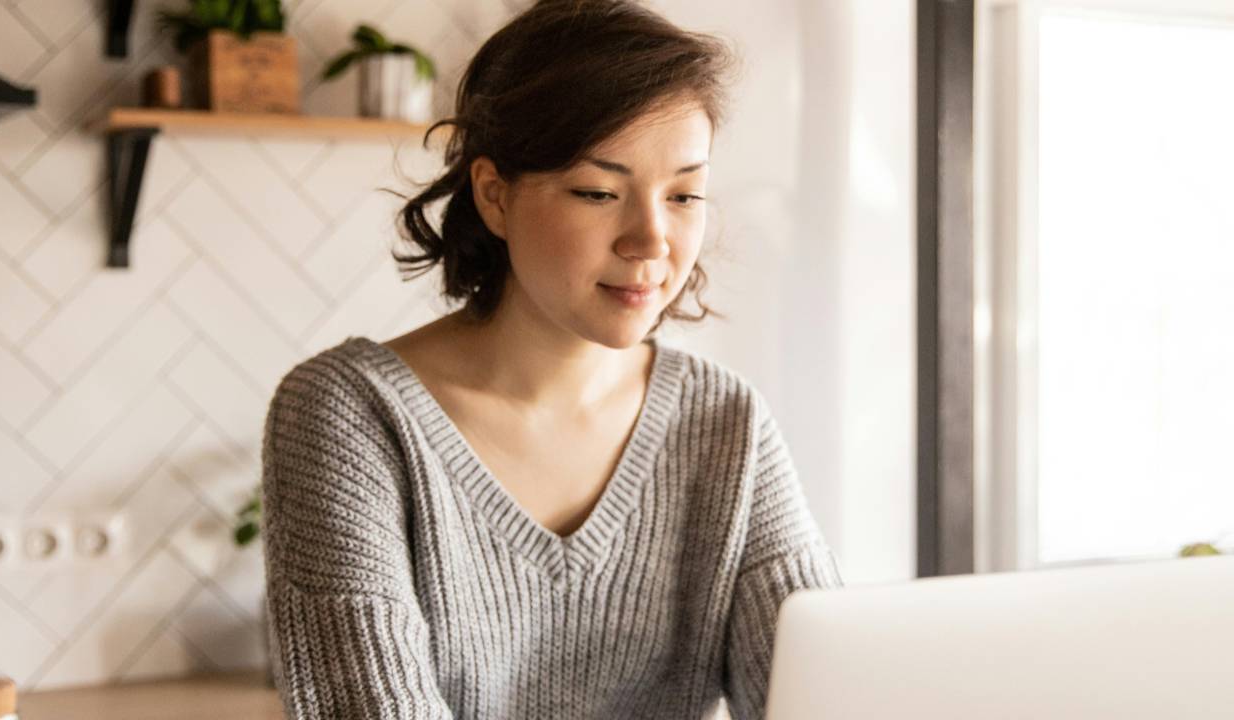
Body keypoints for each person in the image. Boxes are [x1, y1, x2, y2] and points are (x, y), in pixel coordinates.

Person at [259, 1, 843, 718]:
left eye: (685, 194)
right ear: (494, 195)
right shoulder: (350, 415)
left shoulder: (725, 423)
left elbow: (820, 688)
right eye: (599, 192)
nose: (652, 241)